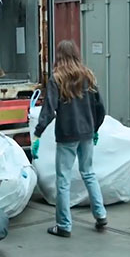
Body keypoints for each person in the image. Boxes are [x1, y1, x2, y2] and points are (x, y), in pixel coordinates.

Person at [31, 40, 107, 238]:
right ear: (76, 54)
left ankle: (64, 225)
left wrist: (38, 133)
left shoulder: (57, 78)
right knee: (89, 173)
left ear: (59, 56)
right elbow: (100, 107)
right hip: (87, 133)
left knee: (63, 180)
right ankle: (100, 215)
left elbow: (49, 109)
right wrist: (95, 128)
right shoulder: (88, 76)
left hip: (67, 135)